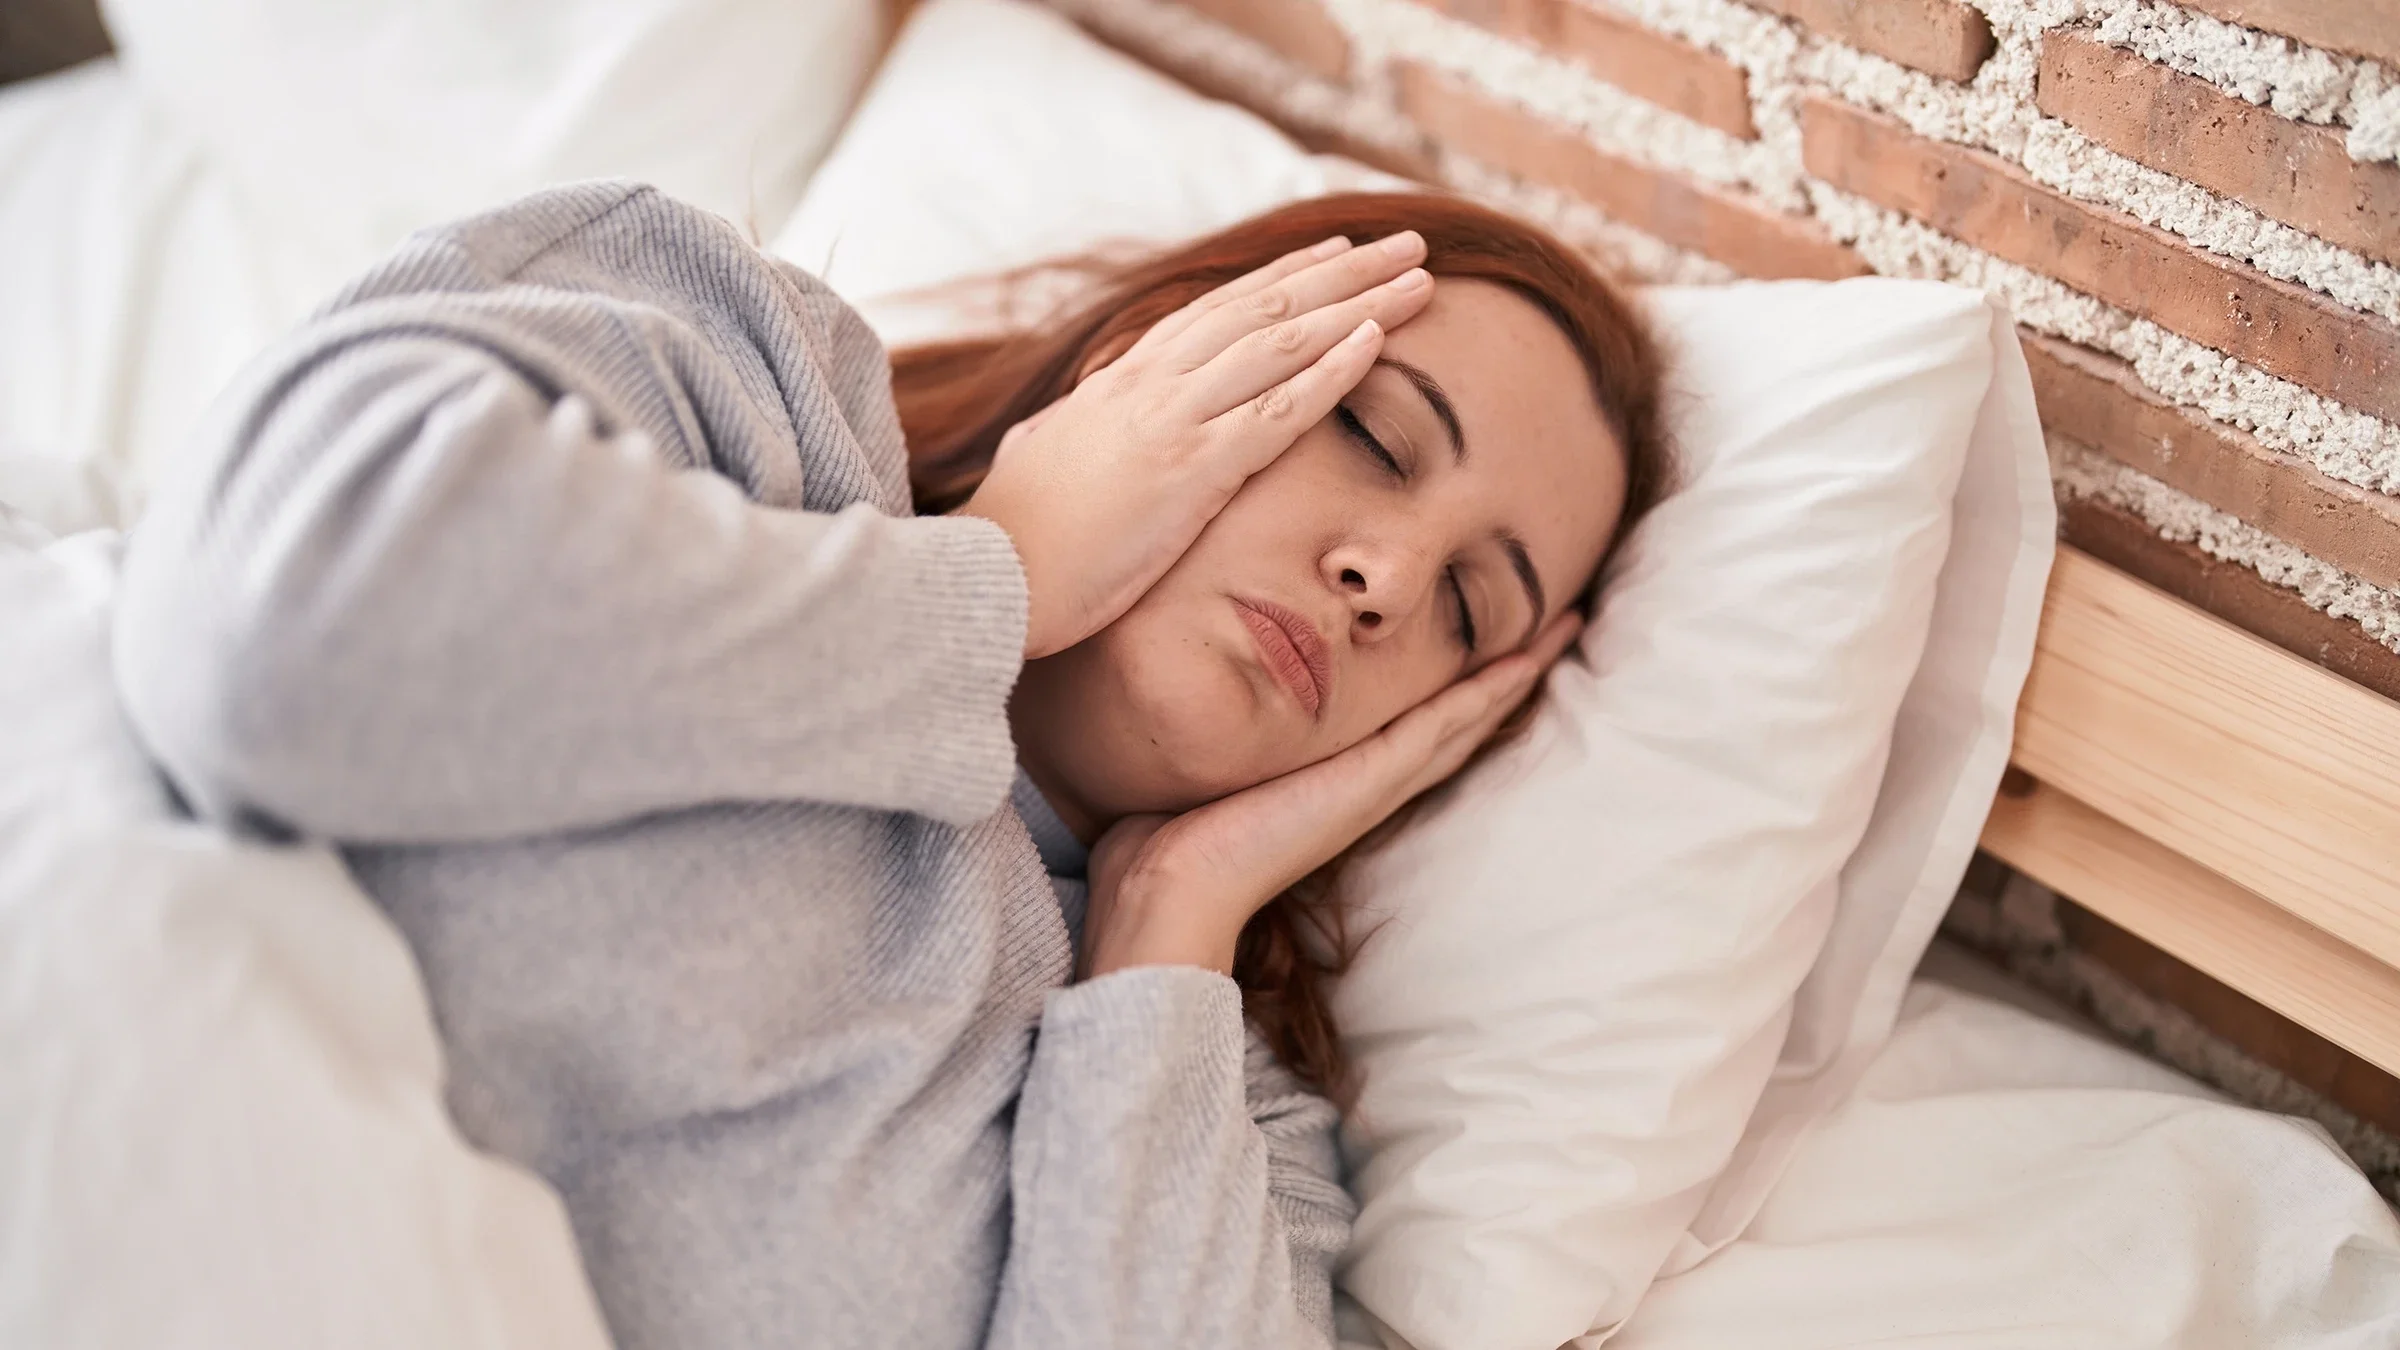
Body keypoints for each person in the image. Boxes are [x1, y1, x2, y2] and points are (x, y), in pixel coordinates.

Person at [111, 182, 1667, 1349]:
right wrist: (999, 575)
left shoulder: (1219, 1127)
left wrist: (1166, 932)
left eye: (1470, 608)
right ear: (1173, 351)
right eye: (1380, 439)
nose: (1387, 576)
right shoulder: (734, 382)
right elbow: (277, 638)